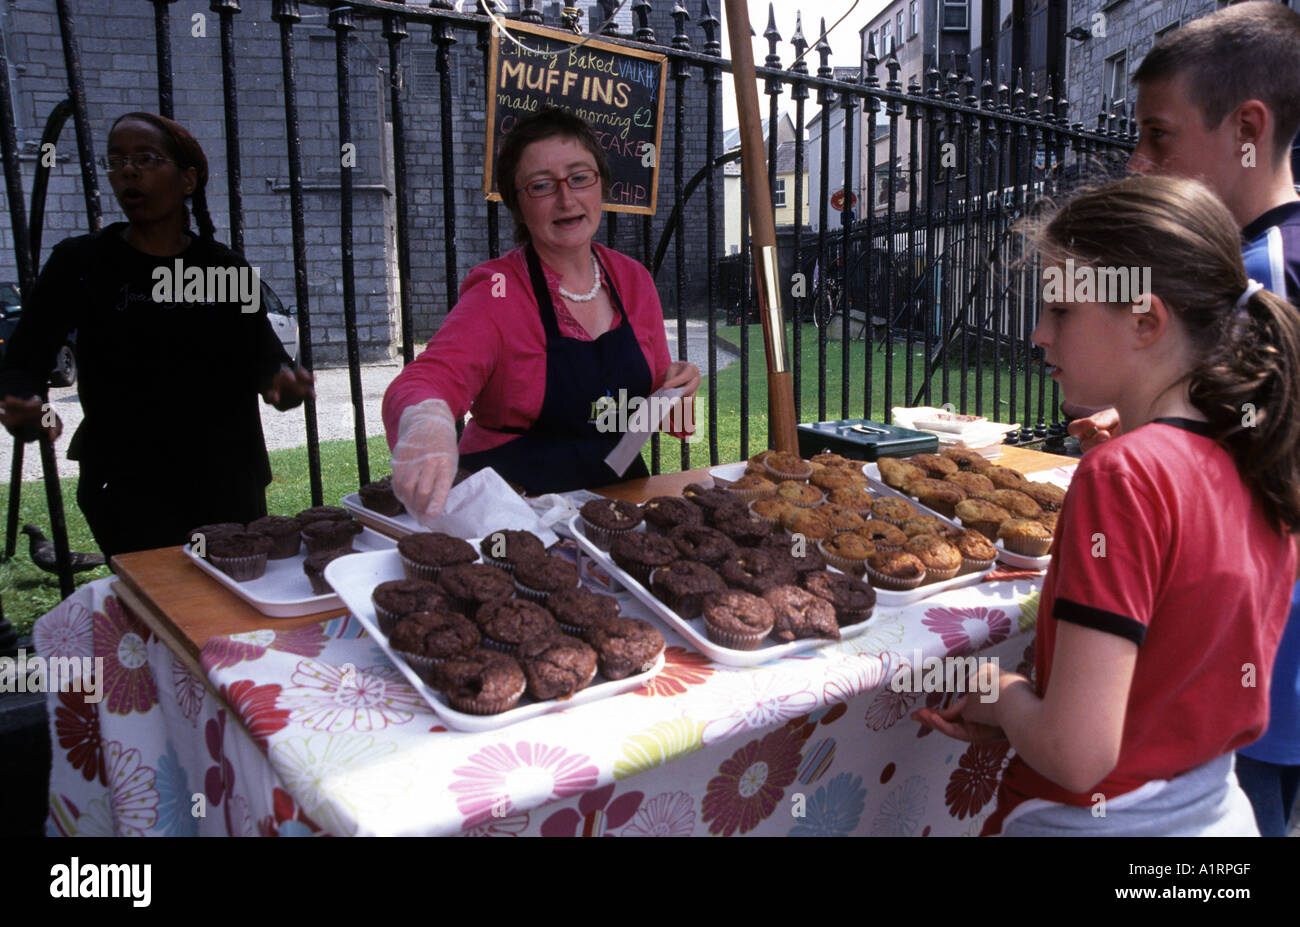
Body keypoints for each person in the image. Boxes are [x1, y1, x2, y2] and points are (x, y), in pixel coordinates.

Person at [914, 175, 1300, 836]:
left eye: (1061, 309)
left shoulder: (1123, 475)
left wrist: (1004, 697)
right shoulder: (1264, 456)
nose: (1038, 333)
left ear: (1145, 320)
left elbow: (1077, 753)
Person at [1065, 1, 1300, 836]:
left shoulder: (1252, 282)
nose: (1139, 159)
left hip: (1251, 687)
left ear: (1247, 126)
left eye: (1159, 136)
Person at [0, 112, 314, 559]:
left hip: (225, 480)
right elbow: (24, 363)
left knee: (227, 601)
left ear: (187, 180)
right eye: (117, 160)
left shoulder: (223, 270)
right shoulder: (82, 264)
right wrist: (27, 404)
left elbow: (265, 359)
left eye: (147, 158)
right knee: (159, 609)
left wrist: (284, 384)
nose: (128, 170)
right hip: (127, 486)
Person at [383, 107, 699, 520]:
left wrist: (680, 390)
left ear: (600, 184)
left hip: (616, 502)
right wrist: (427, 420)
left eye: (580, 177)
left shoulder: (633, 279)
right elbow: (429, 378)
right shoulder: (498, 289)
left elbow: (660, 415)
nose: (566, 199)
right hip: (514, 510)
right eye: (541, 186)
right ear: (518, 204)